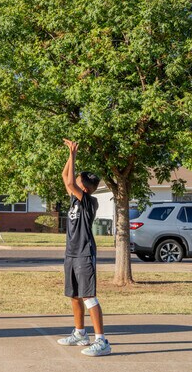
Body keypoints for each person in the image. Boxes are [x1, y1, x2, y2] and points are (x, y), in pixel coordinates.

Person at [57, 139, 111, 356]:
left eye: (78, 181)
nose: (73, 182)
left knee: (89, 296)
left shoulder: (89, 202)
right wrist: (69, 158)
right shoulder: (74, 200)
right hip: (71, 252)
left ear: (85, 188)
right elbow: (65, 177)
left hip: (84, 253)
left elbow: (70, 183)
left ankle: (102, 341)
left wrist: (74, 154)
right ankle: (80, 333)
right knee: (74, 295)